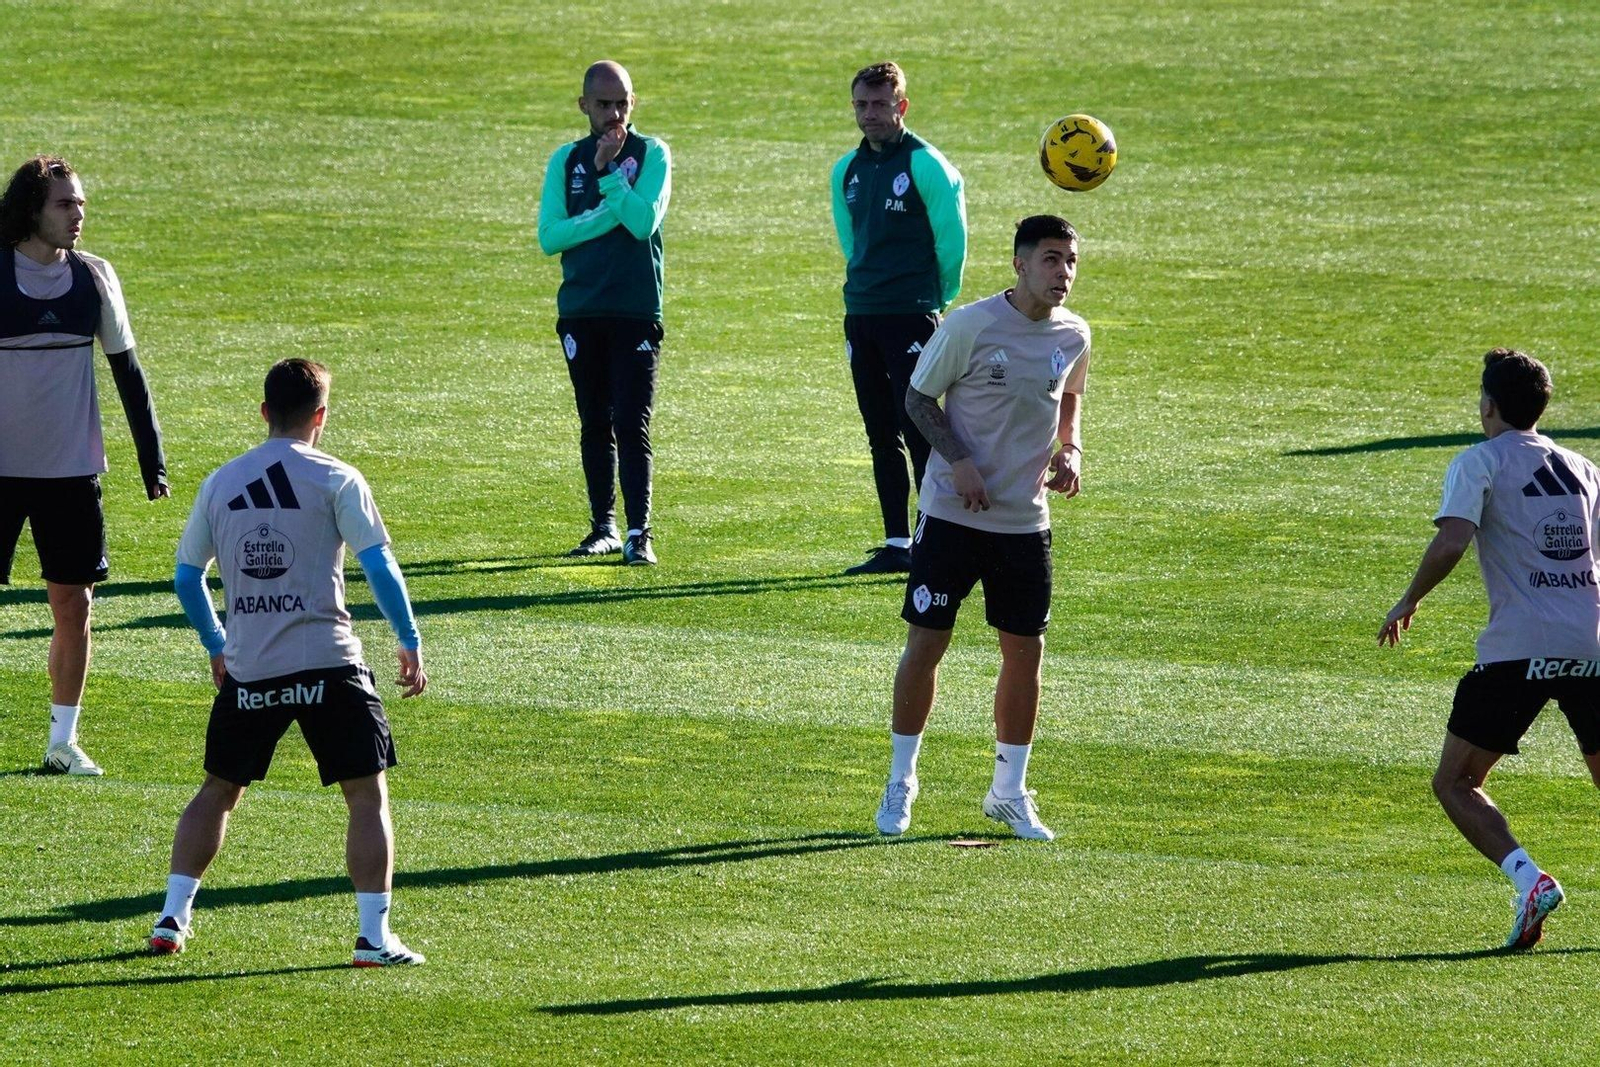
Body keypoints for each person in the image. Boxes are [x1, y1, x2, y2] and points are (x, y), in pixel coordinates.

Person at [150, 359, 429, 967]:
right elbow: (379, 565)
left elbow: (185, 577)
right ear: (321, 416)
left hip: (250, 669)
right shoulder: (337, 478)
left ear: (263, 412)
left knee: (219, 790)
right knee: (365, 797)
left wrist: (217, 645)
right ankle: (373, 939)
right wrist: (407, 637)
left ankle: (172, 918)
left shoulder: (222, 482)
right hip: (330, 665)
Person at [874, 215, 1088, 841]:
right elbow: (917, 398)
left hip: (1025, 523)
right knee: (927, 643)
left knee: (1026, 654)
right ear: (1019, 264)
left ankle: (1008, 791)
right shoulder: (969, 326)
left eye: (1070, 261)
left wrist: (1070, 449)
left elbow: (1069, 394)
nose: (1063, 273)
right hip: (951, 516)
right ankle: (901, 780)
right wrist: (960, 462)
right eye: (1051, 259)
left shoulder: (1075, 335)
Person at [1380, 348, 1600, 950]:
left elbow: (1454, 541)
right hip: (1591, 643)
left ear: (1489, 405)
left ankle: (1530, 880)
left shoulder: (1478, 462)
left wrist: (1409, 599)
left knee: (1455, 782)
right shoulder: (1583, 466)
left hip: (1518, 648)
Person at [0, 155, 168, 777]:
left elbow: (128, 372)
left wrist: (152, 461)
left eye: (81, 204)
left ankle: (61, 743)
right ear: (31, 211)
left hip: (70, 474)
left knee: (74, 606)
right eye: (64, 204)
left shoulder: (94, 278)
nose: (78, 216)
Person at [830, 61, 966, 575]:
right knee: (879, 429)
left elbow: (952, 241)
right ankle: (896, 541)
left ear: (901, 106)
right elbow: (852, 240)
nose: (870, 115)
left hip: (912, 314)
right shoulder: (846, 170)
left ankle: (935, 536)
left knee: (920, 425)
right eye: (862, 105)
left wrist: (937, 299)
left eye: (881, 104)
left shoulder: (927, 165)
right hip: (862, 313)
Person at [538, 60, 672, 566]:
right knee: (594, 419)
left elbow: (642, 223)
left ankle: (640, 531)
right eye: (603, 104)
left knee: (631, 421)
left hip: (635, 309)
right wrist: (608, 208)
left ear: (633, 102)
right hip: (581, 309)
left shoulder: (652, 153)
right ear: (584, 106)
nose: (615, 113)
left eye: (623, 102)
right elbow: (550, 237)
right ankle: (604, 528)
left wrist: (610, 174)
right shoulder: (566, 160)